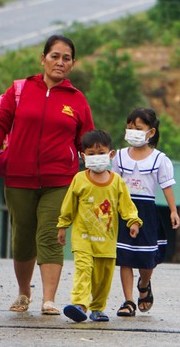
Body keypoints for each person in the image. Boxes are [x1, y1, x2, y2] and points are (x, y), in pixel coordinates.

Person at [0, 34, 94, 316]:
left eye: (66, 58)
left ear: (73, 64)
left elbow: (87, 142)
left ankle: (49, 299)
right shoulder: (19, 90)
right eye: (55, 56)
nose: (60, 62)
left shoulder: (77, 100)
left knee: (51, 235)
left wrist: (94, 175)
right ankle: (24, 292)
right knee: (23, 237)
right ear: (43, 59)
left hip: (59, 181)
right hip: (18, 178)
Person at [57, 129, 142, 323]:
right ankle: (79, 304)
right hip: (83, 238)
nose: (97, 157)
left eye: (101, 153)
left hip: (107, 241)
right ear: (83, 156)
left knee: (103, 277)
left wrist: (133, 221)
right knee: (83, 269)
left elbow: (126, 205)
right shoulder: (79, 180)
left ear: (111, 154)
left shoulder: (117, 183)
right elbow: (69, 205)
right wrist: (63, 226)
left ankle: (97, 308)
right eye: (91, 154)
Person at [112, 108, 180, 316]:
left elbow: (166, 186)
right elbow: (112, 185)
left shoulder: (159, 159)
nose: (132, 131)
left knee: (146, 258)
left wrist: (173, 211)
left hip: (146, 211)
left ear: (150, 132)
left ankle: (144, 283)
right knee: (124, 257)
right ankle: (128, 301)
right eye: (130, 127)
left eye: (138, 128)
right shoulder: (120, 156)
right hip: (124, 210)